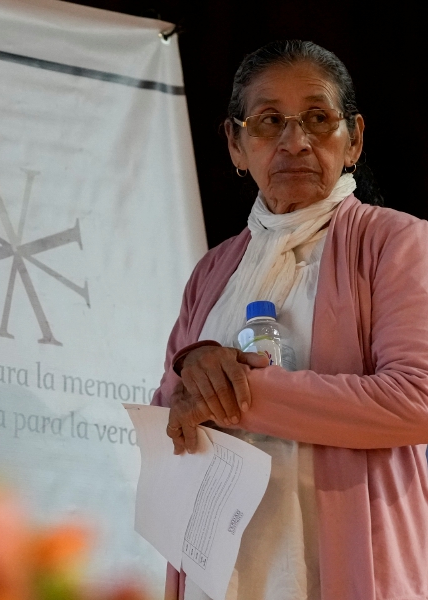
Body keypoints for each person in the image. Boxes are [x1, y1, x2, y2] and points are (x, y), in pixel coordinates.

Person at [151, 40, 428, 600]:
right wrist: (191, 375)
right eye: (269, 120)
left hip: (347, 570)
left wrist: (244, 392)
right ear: (235, 142)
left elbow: (417, 399)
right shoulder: (213, 271)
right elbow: (167, 423)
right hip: (223, 574)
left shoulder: (395, 242)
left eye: (318, 119)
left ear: (354, 140)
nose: (295, 141)